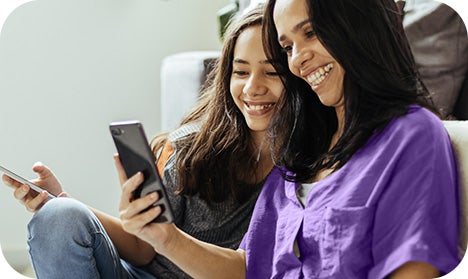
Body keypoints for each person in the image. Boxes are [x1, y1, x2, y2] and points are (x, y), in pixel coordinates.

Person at [108, 0, 461, 278]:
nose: (298, 59)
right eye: (287, 46)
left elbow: (415, 266)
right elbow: (248, 268)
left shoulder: (410, 136)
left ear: (356, 28)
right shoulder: (301, 153)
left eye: (310, 33)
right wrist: (165, 237)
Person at [2, 5, 283, 278]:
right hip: (140, 274)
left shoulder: (305, 171)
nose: (252, 88)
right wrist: (62, 201)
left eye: (271, 72)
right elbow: (143, 249)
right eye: (241, 72)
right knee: (58, 216)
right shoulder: (188, 150)